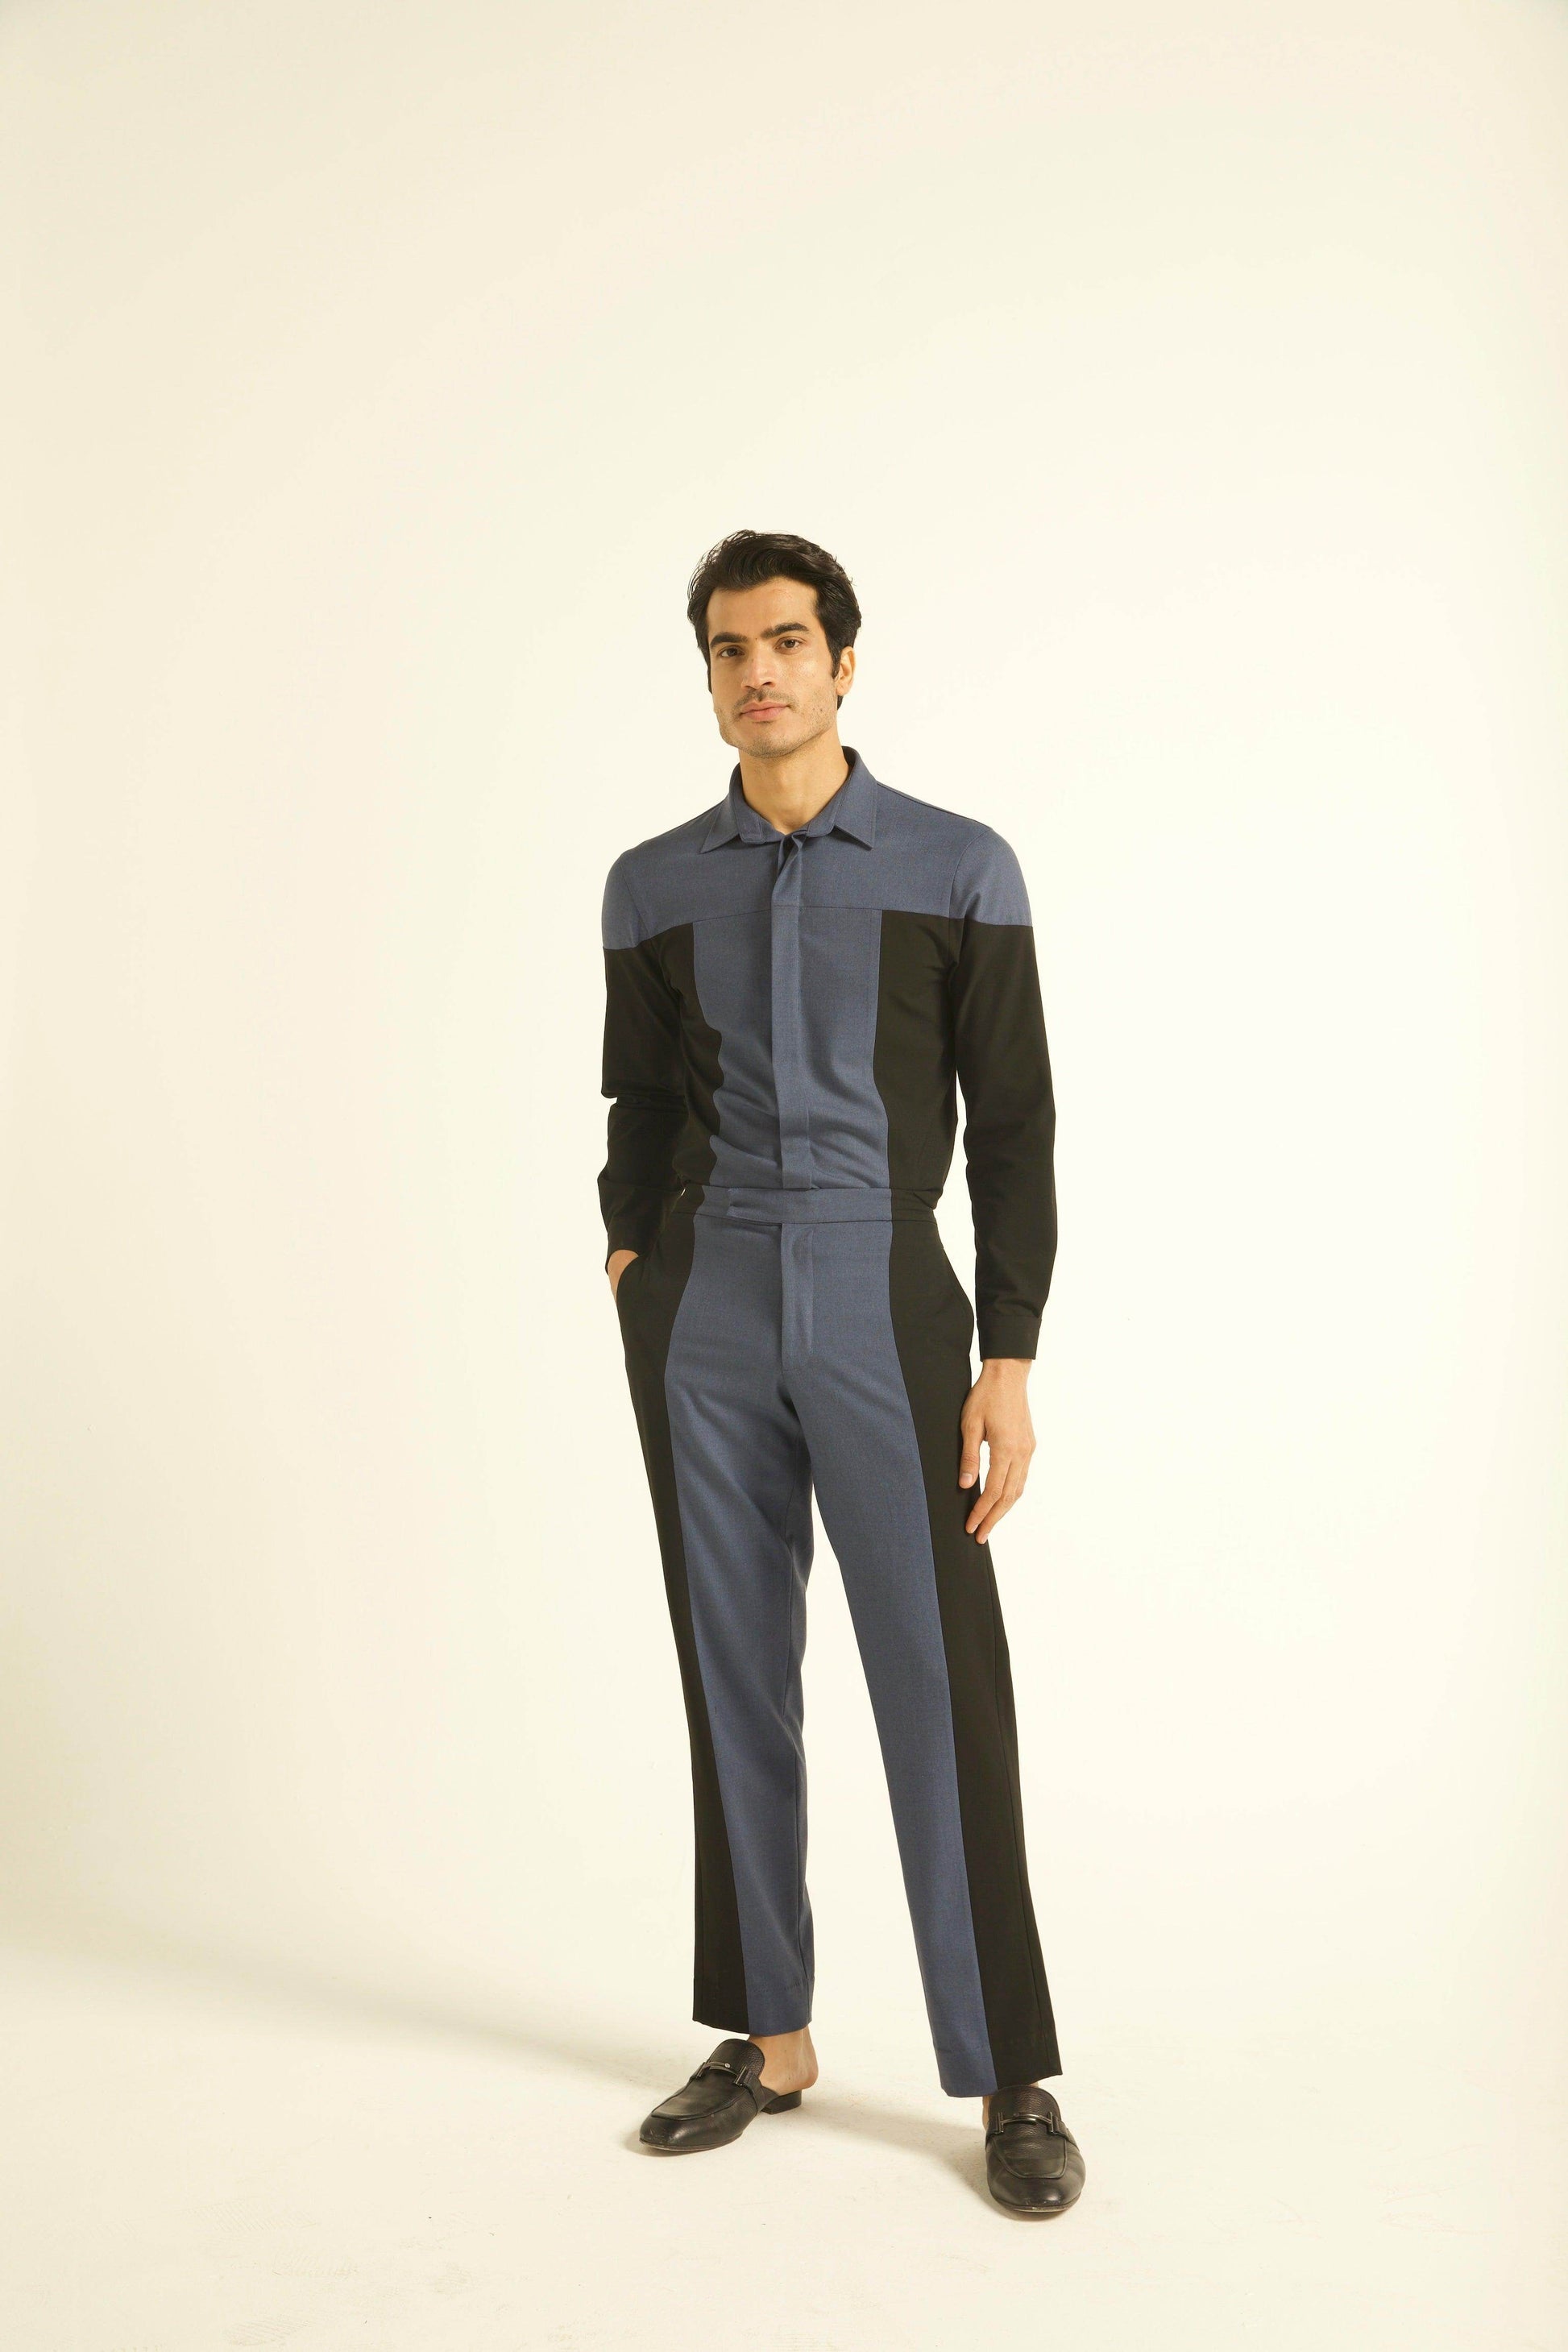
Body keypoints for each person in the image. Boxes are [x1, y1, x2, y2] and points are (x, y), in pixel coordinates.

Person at [596, 529, 1084, 2217]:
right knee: (732, 1665)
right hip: (706, 1306)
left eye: (788, 641)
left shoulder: (958, 866)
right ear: (710, 677)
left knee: (939, 1679)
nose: (760, 672)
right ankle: (768, 2032)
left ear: (843, 661)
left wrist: (1006, 1354)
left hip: (888, 1295)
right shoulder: (653, 881)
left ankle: (1006, 2070)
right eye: (731, 649)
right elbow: (637, 1101)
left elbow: (1013, 1126)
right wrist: (634, 1262)